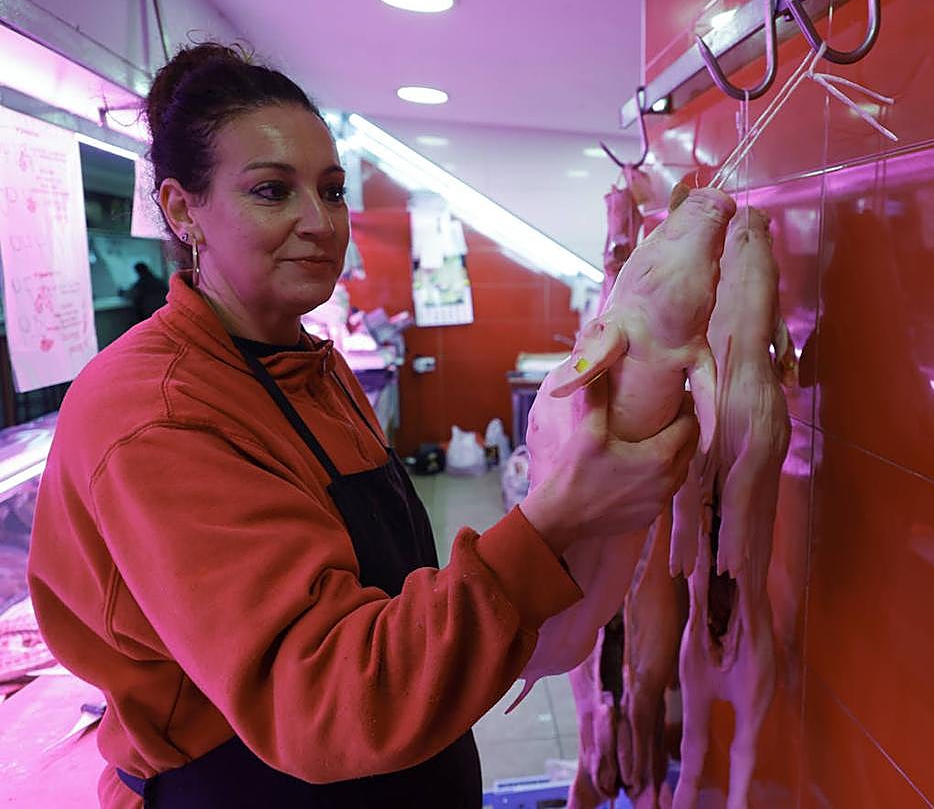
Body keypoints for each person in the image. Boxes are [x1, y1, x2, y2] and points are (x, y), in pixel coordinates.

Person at [27, 43, 700, 809]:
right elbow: (323, 696)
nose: (319, 223)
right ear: (183, 210)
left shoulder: (313, 365)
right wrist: (552, 524)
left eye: (333, 191)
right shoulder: (155, 412)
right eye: (273, 191)